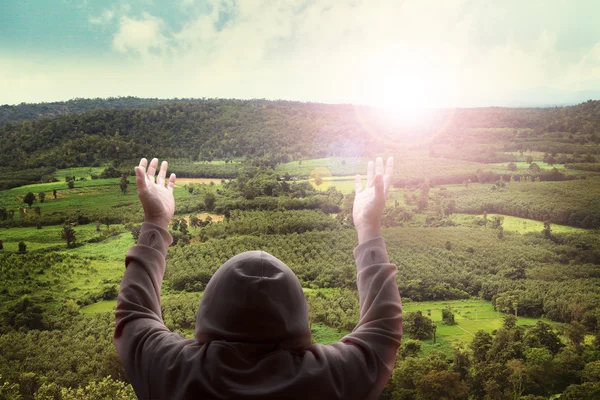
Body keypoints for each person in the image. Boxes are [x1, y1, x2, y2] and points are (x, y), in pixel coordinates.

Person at [114, 156, 402, 400]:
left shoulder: (173, 372)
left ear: (210, 307)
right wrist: (368, 228)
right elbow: (384, 328)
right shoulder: (331, 379)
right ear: (298, 313)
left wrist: (155, 223)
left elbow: (134, 315)